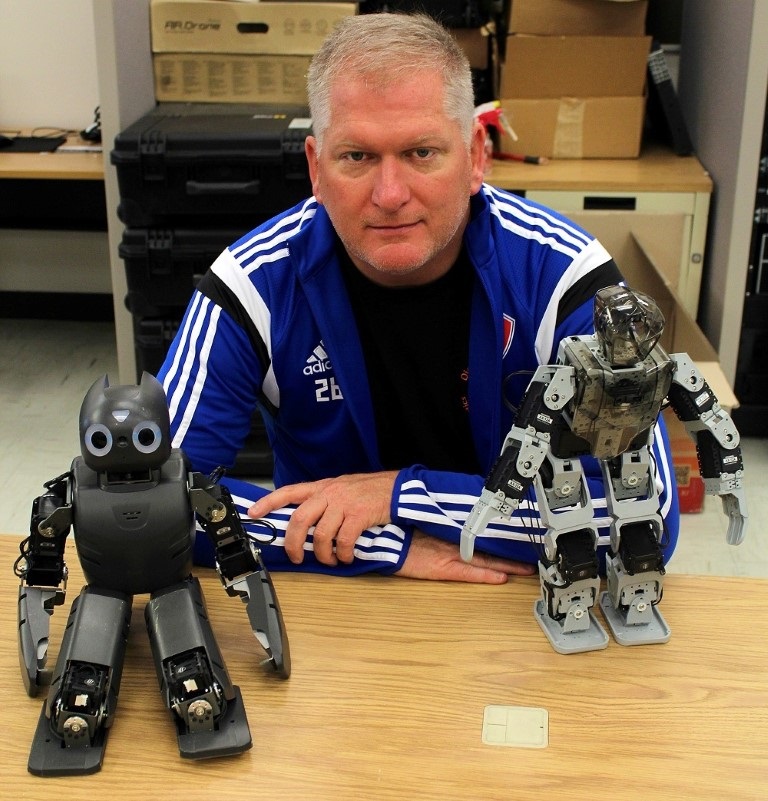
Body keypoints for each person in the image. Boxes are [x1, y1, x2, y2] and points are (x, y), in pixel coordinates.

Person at [158, 12, 679, 584]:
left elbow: (647, 518)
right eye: (356, 156)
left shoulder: (561, 275)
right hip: (334, 600)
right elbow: (152, 507)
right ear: (315, 166)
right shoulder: (251, 284)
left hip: (521, 602)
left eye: (422, 153)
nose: (389, 195)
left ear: (477, 156)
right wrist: (389, 550)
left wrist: (403, 497)